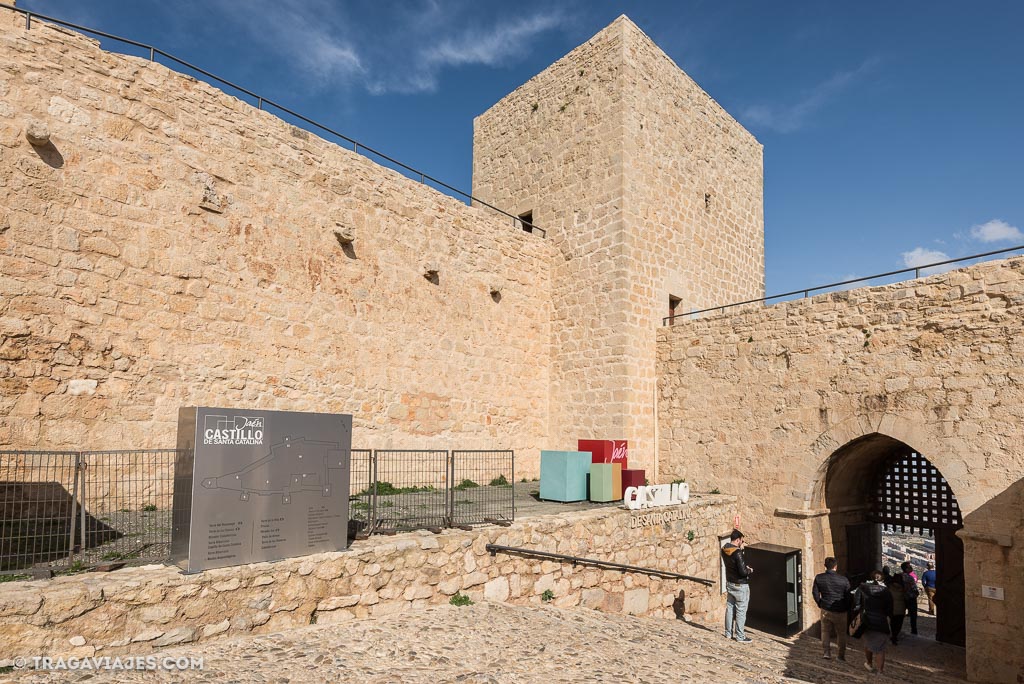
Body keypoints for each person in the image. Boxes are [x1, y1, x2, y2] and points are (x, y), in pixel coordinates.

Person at [855, 570, 894, 674]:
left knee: (868, 643)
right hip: (881, 621)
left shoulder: (862, 587)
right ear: (882, 579)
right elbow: (890, 609)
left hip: (866, 620)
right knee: (880, 648)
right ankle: (880, 671)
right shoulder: (886, 591)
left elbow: (856, 604)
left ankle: (869, 663)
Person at [812, 556, 851, 661]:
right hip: (841, 611)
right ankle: (840, 655)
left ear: (825, 566)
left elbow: (815, 593)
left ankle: (826, 652)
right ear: (836, 567)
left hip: (826, 608)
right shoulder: (844, 580)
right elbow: (848, 597)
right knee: (841, 633)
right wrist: (847, 607)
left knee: (825, 631)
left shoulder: (819, 578)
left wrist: (820, 603)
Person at [722, 529, 754, 643]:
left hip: (730, 583)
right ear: (737, 540)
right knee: (741, 610)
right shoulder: (737, 553)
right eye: (742, 540)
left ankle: (728, 633)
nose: (742, 542)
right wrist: (749, 570)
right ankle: (740, 636)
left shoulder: (724, 549)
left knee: (730, 608)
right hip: (740, 586)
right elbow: (742, 572)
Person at [887, 568, 907, 644]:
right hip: (901, 609)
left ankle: (893, 635)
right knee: (899, 623)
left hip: (892, 608)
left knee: (893, 622)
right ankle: (895, 635)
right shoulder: (903, 588)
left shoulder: (889, 587)